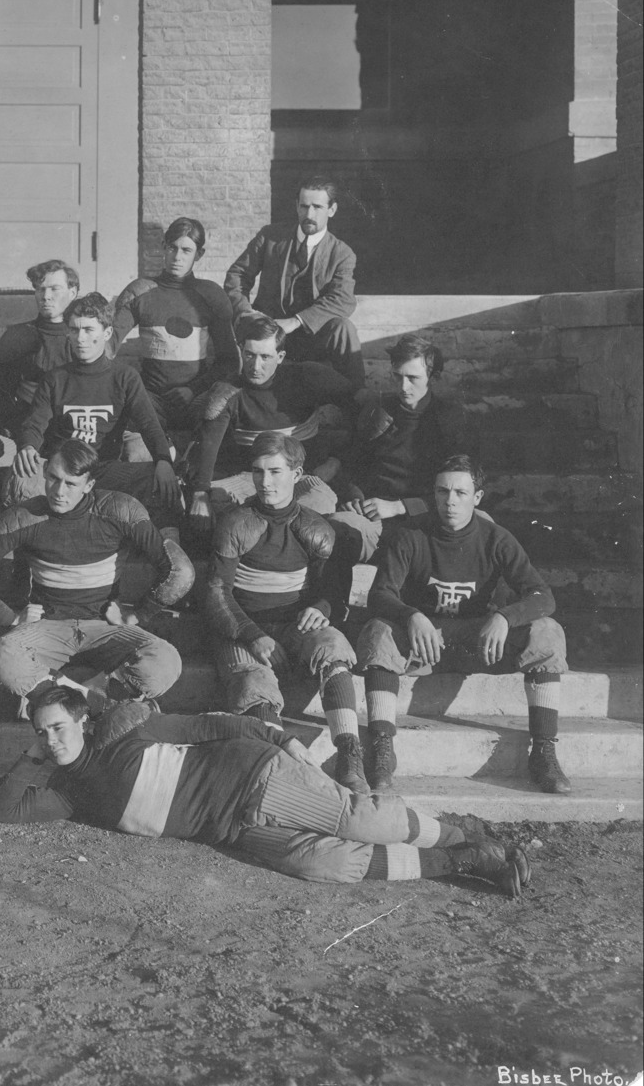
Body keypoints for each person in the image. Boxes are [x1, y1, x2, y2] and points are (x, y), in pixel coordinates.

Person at [0, 686, 532, 898]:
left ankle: (464, 834)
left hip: (254, 775)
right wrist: (29, 759)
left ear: (82, 720)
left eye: (58, 727)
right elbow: (5, 810)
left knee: (364, 821)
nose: (51, 739)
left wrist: (282, 738)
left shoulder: (126, 730)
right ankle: (466, 861)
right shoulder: (68, 793)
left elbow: (211, 724)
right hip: (235, 829)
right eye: (41, 732)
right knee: (329, 866)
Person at [357, 455, 573, 795]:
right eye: (442, 491)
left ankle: (544, 750)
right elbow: (380, 594)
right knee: (378, 631)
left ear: (477, 497)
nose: (450, 501)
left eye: (460, 492)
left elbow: (542, 596)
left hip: (480, 644)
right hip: (424, 646)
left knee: (548, 632)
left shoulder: (496, 538)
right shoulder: (410, 535)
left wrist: (505, 617)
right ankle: (381, 746)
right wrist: (410, 615)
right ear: (433, 494)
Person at [0, 438, 194, 717]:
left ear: (89, 485)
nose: (59, 492)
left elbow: (179, 570)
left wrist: (138, 615)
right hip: (48, 627)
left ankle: (58, 698)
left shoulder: (118, 511)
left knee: (166, 661)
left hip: (105, 626)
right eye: (53, 479)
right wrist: (9, 617)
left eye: (71, 484)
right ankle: (96, 703)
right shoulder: (27, 516)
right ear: (44, 474)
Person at [205, 433, 366, 791]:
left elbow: (333, 592)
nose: (265, 482)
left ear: (296, 474)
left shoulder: (315, 527)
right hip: (242, 630)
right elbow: (216, 594)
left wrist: (321, 608)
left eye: (275, 471)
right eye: (258, 471)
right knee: (254, 682)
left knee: (334, 646)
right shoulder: (236, 522)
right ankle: (278, 769)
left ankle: (350, 756)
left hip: (293, 627)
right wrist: (253, 636)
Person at [8, 293, 181, 524]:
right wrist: (28, 446)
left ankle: (167, 540)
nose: (81, 338)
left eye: (89, 330)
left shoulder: (124, 377)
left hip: (104, 469)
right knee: (22, 478)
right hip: (62, 471)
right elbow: (35, 423)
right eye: (74, 329)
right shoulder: (55, 379)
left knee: (161, 478)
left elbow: (149, 424)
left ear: (107, 333)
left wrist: (163, 460)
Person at [189, 312, 359, 524]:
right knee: (213, 501)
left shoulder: (306, 378)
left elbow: (360, 411)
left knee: (319, 502)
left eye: (265, 357)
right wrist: (200, 493)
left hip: (302, 477)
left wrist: (336, 460)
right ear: (240, 350)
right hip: (251, 480)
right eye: (250, 355)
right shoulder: (227, 392)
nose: (255, 366)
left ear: (280, 357)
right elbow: (209, 447)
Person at [0, 258, 81, 528]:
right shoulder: (18, 336)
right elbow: (1, 397)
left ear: (73, 291)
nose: (46, 296)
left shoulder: (81, 340)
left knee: (31, 483)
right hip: (22, 435)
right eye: (40, 289)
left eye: (54, 289)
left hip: (67, 440)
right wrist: (14, 435)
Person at [326, 333, 472, 565]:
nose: (403, 387)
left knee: (479, 525)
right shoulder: (379, 411)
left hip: (429, 516)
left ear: (433, 377)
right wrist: (355, 499)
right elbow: (352, 464)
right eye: (397, 376)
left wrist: (400, 506)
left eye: (413, 378)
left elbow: (464, 488)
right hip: (375, 517)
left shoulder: (449, 420)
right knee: (335, 526)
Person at [224, 176, 363, 387]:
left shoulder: (342, 254)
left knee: (344, 328)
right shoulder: (270, 237)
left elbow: (342, 299)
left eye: (317, 207)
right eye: (304, 206)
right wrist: (246, 313)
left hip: (312, 338)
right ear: (297, 206)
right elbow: (238, 275)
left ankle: (357, 395)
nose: (309, 215)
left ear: (332, 210)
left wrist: (296, 321)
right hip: (266, 333)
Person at [113, 218, 238, 430]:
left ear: (199, 254)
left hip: (196, 399)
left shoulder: (211, 295)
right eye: (173, 248)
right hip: (150, 400)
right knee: (138, 442)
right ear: (164, 246)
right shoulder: (140, 291)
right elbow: (108, 344)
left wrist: (193, 390)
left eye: (186, 250)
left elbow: (229, 361)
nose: (177, 257)